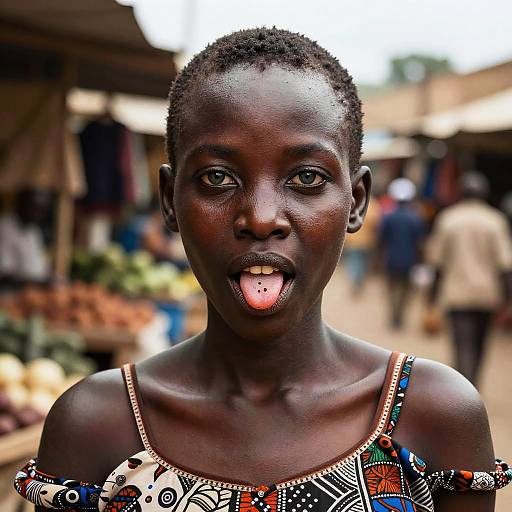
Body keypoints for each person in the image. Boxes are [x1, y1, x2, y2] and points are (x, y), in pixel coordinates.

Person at [15, 29, 510, 512]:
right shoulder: (97, 423)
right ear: (170, 201)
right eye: (217, 177)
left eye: (306, 178)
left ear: (355, 202)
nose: (261, 217)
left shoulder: (435, 414)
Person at [427, 171, 512, 386]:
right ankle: (473, 387)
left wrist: (431, 297)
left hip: (457, 294)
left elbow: (437, 263)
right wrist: (508, 299)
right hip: (487, 294)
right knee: (481, 345)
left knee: (462, 344)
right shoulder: (496, 221)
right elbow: (505, 265)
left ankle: (464, 389)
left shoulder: (448, 218)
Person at [379, 178, 425, 328]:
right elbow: (420, 242)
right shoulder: (416, 218)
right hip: (410, 260)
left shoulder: (389, 217)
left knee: (392, 288)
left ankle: (394, 315)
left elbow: (382, 239)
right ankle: (400, 315)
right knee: (406, 290)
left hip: (391, 258)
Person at [0, 188, 51, 288]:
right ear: (21, 203)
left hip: (36, 293)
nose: (39, 215)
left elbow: (40, 268)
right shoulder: (4, 228)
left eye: (42, 210)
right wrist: (40, 283)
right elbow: (4, 276)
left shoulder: (34, 231)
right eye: (35, 208)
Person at [343, 196, 380, 296]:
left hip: (354, 242)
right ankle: (358, 282)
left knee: (354, 263)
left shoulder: (354, 205)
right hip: (366, 242)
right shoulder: (374, 208)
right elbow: (377, 224)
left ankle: (355, 282)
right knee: (362, 264)